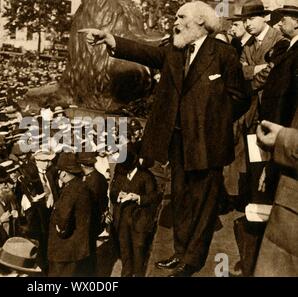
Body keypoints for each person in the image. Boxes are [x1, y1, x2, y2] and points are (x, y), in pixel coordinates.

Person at [80, 0, 249, 276]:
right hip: (178, 143)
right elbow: (146, 52)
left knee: (203, 206)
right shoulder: (175, 51)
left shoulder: (224, 54)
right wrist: (112, 39)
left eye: (182, 17)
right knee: (181, 200)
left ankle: (192, 260)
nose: (176, 21)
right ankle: (180, 253)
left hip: (208, 144)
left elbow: (240, 98)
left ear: (201, 22)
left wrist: (212, 123)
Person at [253, 4, 298, 277]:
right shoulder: (288, 47)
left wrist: (279, 139)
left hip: (281, 141)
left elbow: (286, 97)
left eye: (286, 19)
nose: (280, 24)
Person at [110, 149, 160, 276]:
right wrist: (118, 195)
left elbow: (154, 197)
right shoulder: (120, 175)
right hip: (122, 221)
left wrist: (138, 198)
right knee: (125, 251)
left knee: (138, 251)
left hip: (139, 221)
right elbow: (112, 193)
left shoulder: (146, 176)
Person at [47, 153, 93, 277]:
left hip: (64, 249)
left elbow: (63, 219)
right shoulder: (81, 186)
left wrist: (59, 228)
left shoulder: (71, 191)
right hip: (75, 247)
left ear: (64, 173)